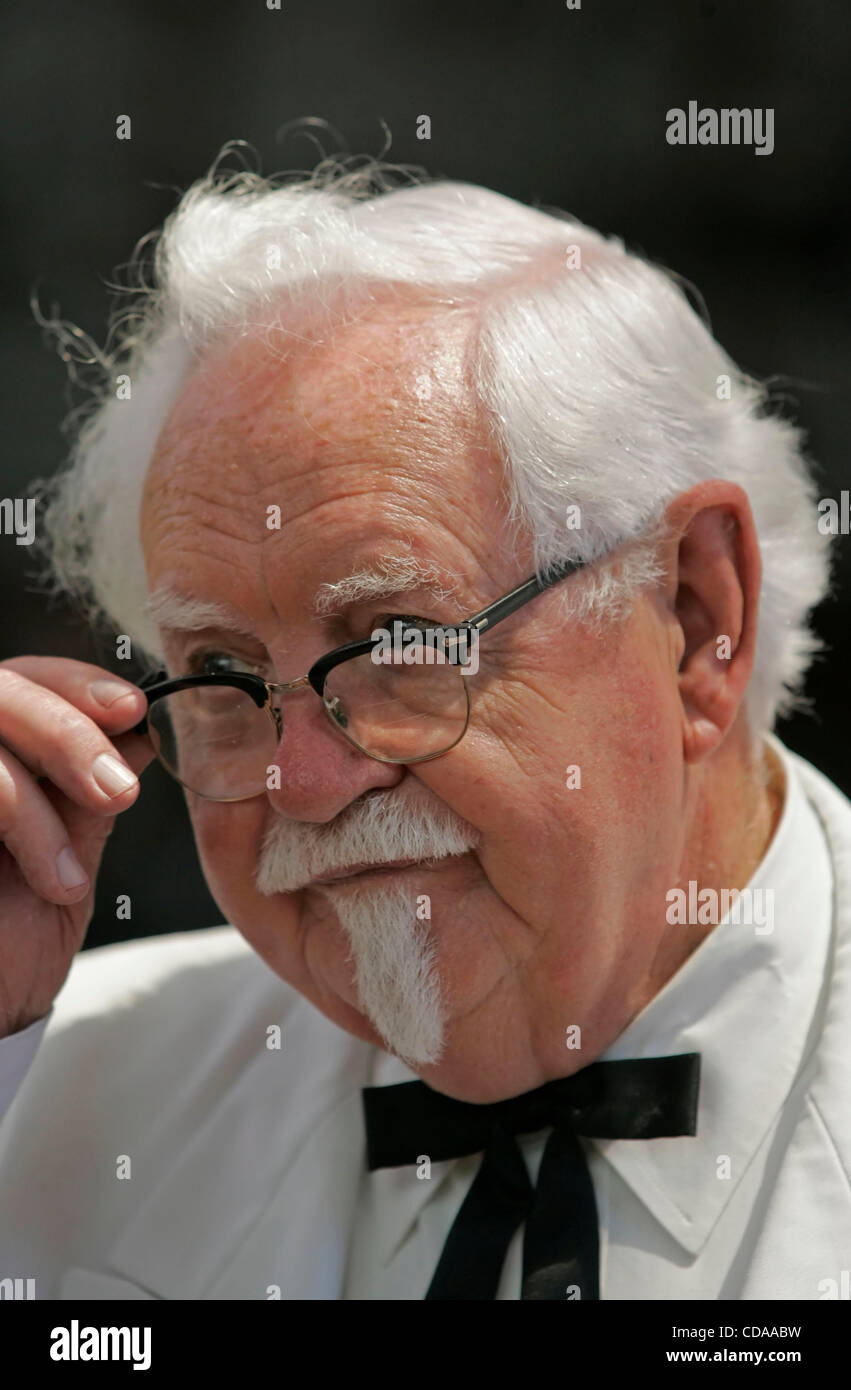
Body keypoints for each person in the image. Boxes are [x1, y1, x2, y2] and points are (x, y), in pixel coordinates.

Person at [0, 152, 847, 1301]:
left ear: (696, 615)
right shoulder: (48, 1091)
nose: (300, 781)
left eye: (398, 641)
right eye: (220, 671)